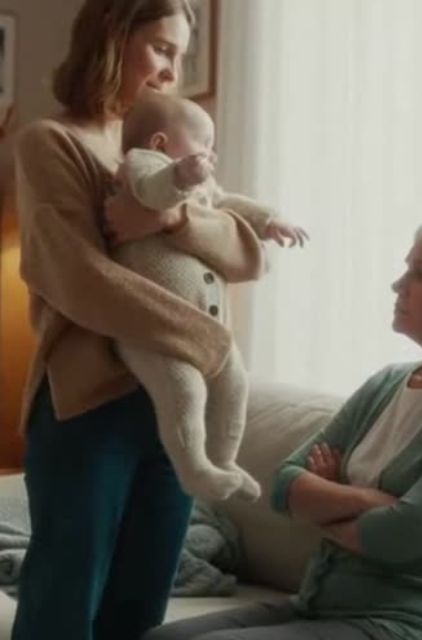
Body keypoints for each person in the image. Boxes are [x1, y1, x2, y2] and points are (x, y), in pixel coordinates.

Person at [10, 1, 258, 639]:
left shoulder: (167, 143)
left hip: (172, 412)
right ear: (113, 38)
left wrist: (172, 217)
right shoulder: (51, 141)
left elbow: (242, 250)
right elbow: (79, 280)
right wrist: (209, 343)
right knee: (63, 612)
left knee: (141, 612)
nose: (173, 71)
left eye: (182, 55)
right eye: (162, 49)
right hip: (89, 408)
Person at [143, 219, 422, 640]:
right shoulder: (388, 383)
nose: (398, 285)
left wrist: (323, 505)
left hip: (413, 623)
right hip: (321, 604)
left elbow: (408, 532)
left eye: (420, 273)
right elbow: (284, 484)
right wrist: (365, 500)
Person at [109, 93, 308, 503]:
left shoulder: (203, 186)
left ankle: (224, 460)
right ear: (161, 143)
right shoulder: (140, 164)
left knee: (234, 383)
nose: (211, 154)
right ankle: (195, 470)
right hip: (154, 329)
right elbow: (153, 193)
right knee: (184, 391)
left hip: (204, 327)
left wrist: (269, 221)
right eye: (204, 143)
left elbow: (229, 203)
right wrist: (180, 175)